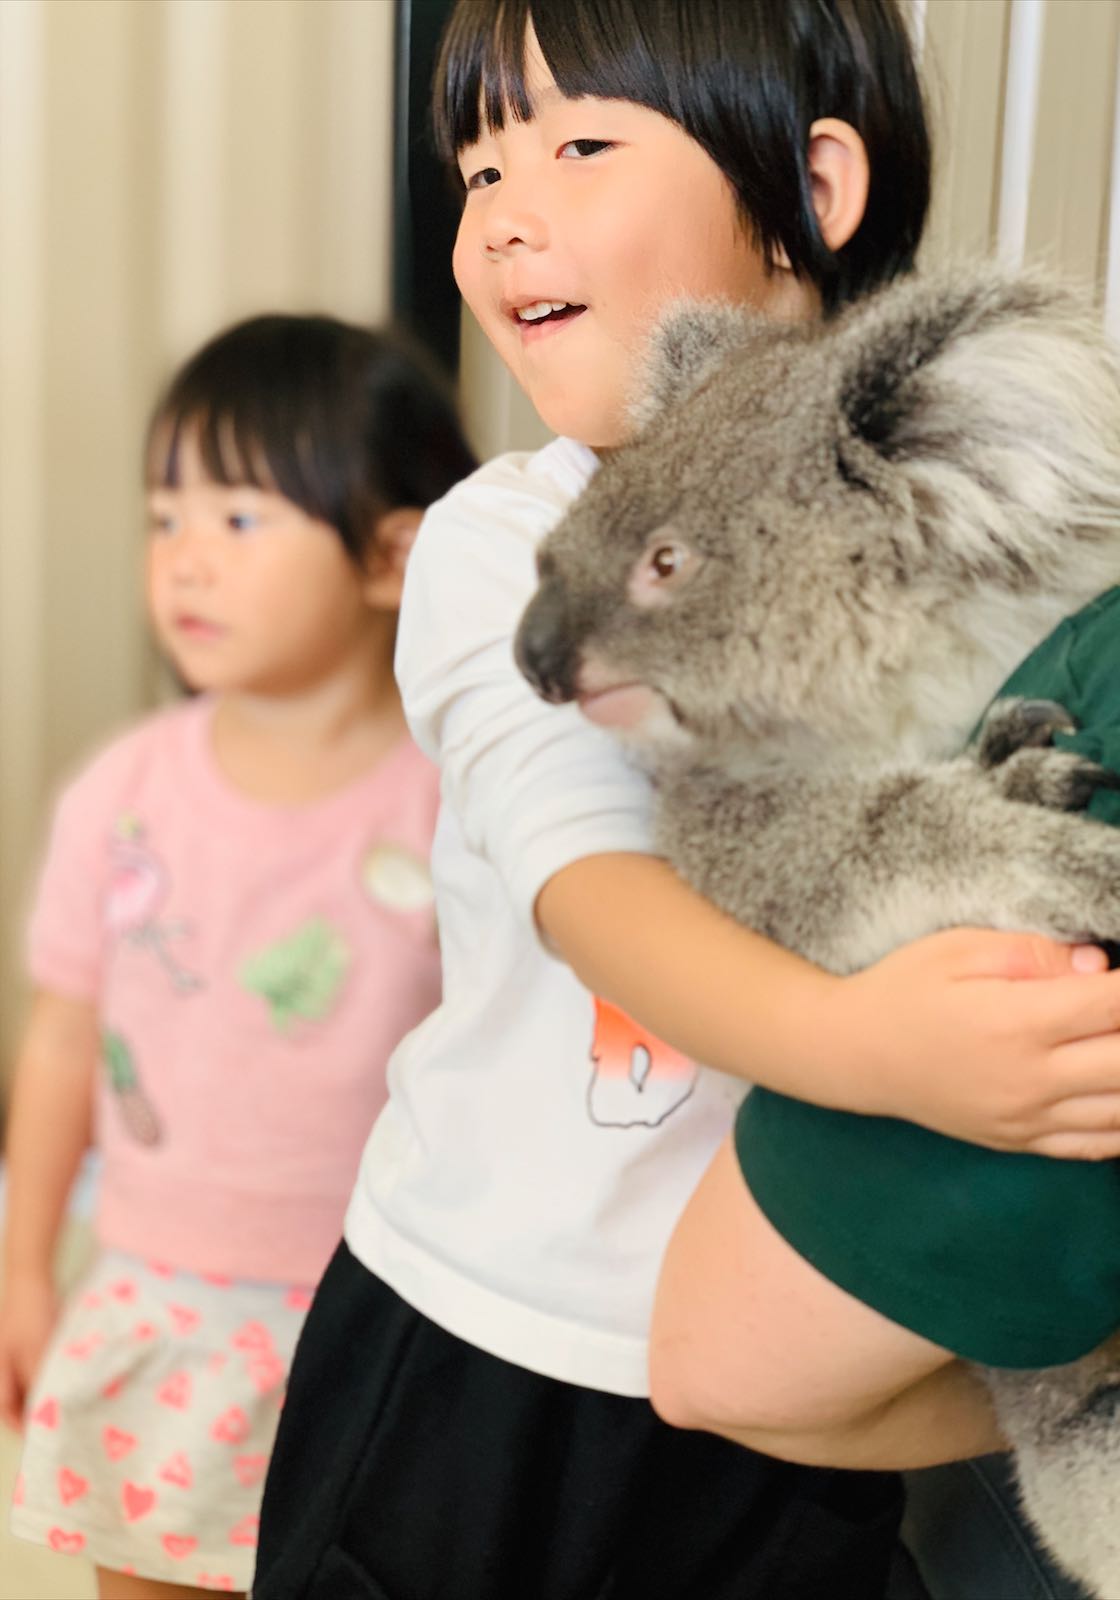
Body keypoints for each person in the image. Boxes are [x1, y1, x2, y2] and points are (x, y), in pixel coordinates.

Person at [253, 5, 1120, 1598]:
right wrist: (878, 1051)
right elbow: (603, 902)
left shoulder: (954, 536)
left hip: (809, 1352)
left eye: (579, 144)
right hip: (486, 1344)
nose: (502, 213)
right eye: (479, 169)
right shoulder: (502, 540)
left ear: (814, 188)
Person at [0, 313, 477, 1599]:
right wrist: (23, 1268)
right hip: (158, 1300)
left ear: (392, 555)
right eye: (165, 518)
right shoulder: (123, 790)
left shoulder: (452, 802)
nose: (186, 560)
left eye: (240, 518)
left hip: (377, 1313)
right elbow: (61, 1034)